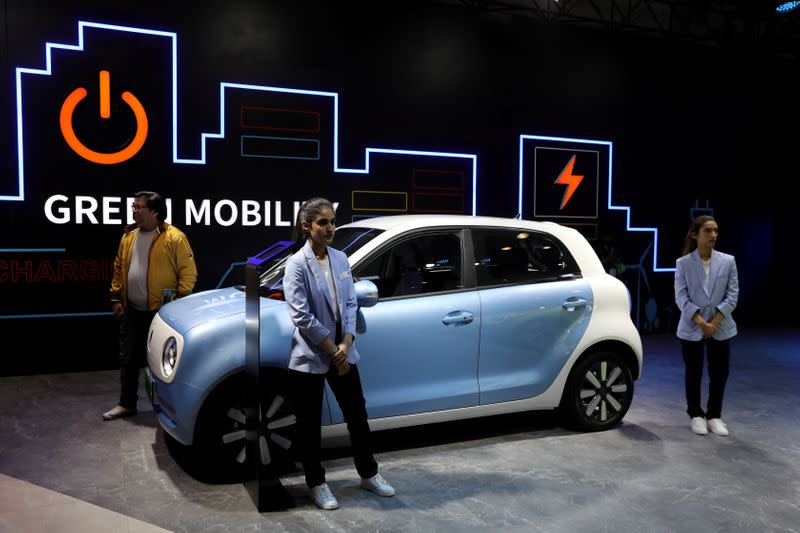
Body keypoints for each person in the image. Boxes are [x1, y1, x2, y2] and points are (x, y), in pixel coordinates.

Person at [282, 197, 394, 510]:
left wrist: (346, 343)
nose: (330, 228)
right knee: (309, 425)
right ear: (307, 226)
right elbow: (301, 316)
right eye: (323, 222)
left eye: (332, 221)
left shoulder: (341, 258)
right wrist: (333, 350)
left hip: (343, 351)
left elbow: (349, 303)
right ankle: (316, 483)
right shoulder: (295, 265)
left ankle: (368, 474)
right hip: (311, 356)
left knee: (357, 416)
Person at [103, 191, 197, 421]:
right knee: (128, 359)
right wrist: (116, 297)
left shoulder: (174, 237)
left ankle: (166, 409)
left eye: (139, 207)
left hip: (162, 313)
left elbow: (187, 271)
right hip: (132, 310)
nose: (134, 210)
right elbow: (118, 268)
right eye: (133, 206)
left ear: (154, 211)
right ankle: (127, 404)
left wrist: (181, 301)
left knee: (162, 363)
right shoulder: (128, 236)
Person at [674, 215, 738, 436]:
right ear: (695, 234)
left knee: (720, 372)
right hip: (693, 326)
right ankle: (696, 415)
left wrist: (714, 323)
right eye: (708, 231)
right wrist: (701, 323)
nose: (713, 235)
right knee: (694, 371)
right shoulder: (683, 264)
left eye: (716, 231)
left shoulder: (728, 261)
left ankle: (714, 416)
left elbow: (732, 295)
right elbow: (681, 297)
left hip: (721, 326)